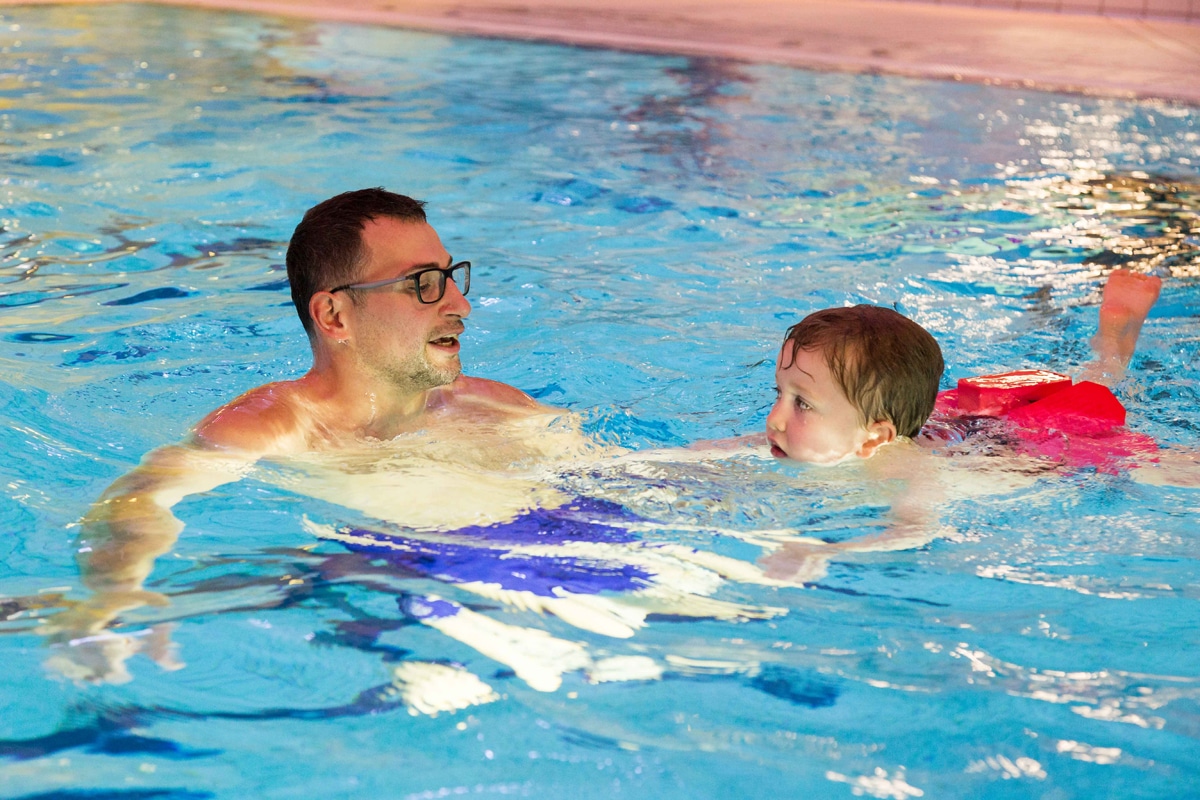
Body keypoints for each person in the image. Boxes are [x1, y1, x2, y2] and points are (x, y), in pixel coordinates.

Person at [45, 188, 586, 682]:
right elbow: (138, 500)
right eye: (423, 284)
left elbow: (618, 482)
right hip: (419, 595)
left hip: (547, 565)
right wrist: (111, 594)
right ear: (334, 315)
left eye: (450, 277)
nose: (459, 305)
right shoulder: (277, 424)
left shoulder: (494, 406)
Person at [758, 268, 1194, 581]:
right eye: (780, 393)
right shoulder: (819, 433)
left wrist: (828, 550)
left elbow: (912, 532)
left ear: (874, 437)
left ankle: (1114, 339)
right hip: (960, 425)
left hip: (1029, 447)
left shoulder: (912, 479)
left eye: (802, 404)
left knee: (1117, 416)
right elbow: (726, 449)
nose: (773, 419)